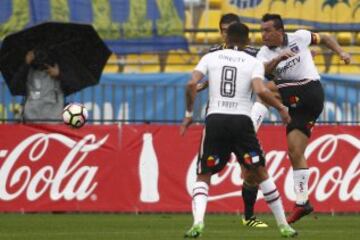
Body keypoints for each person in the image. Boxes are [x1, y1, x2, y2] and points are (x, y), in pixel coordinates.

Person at [181, 22, 297, 238]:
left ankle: (197, 223)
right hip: (242, 121)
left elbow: (190, 85)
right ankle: (284, 226)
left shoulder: (210, 57)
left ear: (226, 37)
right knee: (261, 172)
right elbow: (260, 90)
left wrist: (189, 114)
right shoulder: (253, 61)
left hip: (215, 119)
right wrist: (281, 108)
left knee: (204, 175)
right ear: (247, 40)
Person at [256, 13, 351, 224]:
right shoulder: (263, 53)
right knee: (294, 151)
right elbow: (263, 70)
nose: (263, 35)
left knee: (264, 90)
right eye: (261, 31)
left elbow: (325, 38)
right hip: (299, 106)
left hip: (310, 89)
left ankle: (251, 127)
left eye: (267, 30)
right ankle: (302, 202)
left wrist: (341, 52)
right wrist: (279, 58)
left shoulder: (300, 36)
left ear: (279, 31)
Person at [197, 13, 270, 228]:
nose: (227, 33)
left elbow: (262, 78)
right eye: (224, 29)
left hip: (243, 117)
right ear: (221, 32)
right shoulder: (213, 53)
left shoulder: (253, 54)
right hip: (217, 118)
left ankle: (248, 217)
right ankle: (199, 218)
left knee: (251, 171)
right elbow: (212, 77)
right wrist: (203, 85)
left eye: (231, 29)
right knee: (206, 169)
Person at [11, 49, 66, 122]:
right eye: (36, 53)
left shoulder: (57, 67)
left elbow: (72, 85)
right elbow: (15, 85)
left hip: (54, 120)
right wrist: (26, 64)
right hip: (31, 120)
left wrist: (59, 75)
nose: (40, 57)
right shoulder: (27, 71)